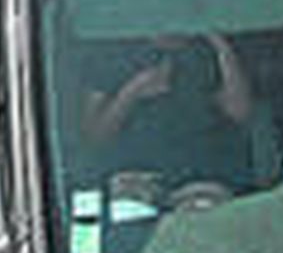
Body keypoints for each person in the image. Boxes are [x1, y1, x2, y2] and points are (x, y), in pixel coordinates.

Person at [82, 33, 256, 191]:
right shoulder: (112, 52)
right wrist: (133, 90)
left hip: (203, 179)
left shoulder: (208, 50)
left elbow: (239, 112)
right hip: (137, 179)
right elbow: (97, 134)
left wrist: (220, 44)